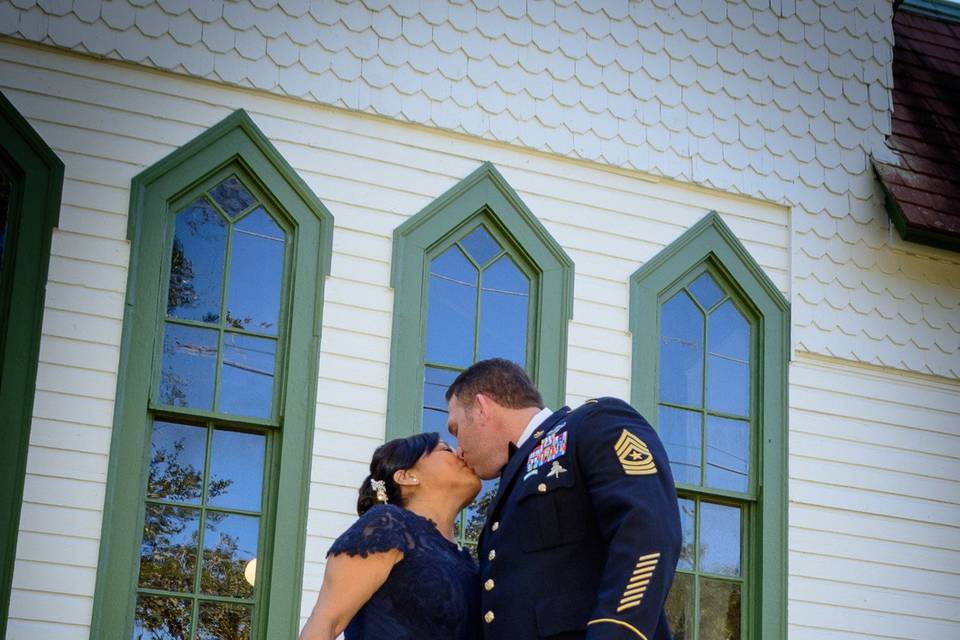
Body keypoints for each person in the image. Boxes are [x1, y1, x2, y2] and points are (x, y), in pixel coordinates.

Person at [447, 358, 682, 640]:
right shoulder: (512, 484)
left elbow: (647, 528)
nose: (458, 450)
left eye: (455, 429)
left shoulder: (592, 424)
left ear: (482, 408)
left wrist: (618, 632)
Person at [299, 432, 482, 640]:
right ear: (406, 476)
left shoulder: (470, 563)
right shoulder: (386, 525)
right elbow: (325, 622)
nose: (460, 453)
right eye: (445, 449)